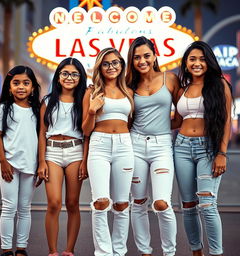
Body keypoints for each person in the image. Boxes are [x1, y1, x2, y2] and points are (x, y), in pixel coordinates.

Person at [173, 41, 232, 256]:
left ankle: (216, 253)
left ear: (209, 62)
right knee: (188, 205)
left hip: (208, 148)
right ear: (186, 63)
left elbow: (225, 121)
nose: (197, 63)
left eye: (202, 59)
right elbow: (176, 121)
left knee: (207, 204)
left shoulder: (219, 85)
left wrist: (222, 153)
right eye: (192, 59)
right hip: (181, 147)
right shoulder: (183, 89)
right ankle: (196, 252)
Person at [125, 36, 179, 256]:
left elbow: (183, 113)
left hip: (162, 147)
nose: (142, 60)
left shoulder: (170, 79)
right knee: (137, 202)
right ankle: (145, 252)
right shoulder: (128, 83)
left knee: (161, 202)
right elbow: (126, 118)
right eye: (137, 57)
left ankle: (169, 252)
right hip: (135, 145)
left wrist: (164, 128)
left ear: (155, 56)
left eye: (146, 55)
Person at [82, 47, 134, 256]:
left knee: (122, 203)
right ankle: (103, 252)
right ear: (100, 67)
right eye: (106, 63)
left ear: (121, 65)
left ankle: (119, 251)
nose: (111, 67)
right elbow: (85, 130)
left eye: (115, 63)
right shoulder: (91, 91)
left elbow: (131, 122)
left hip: (124, 144)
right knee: (101, 202)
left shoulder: (129, 92)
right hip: (99, 145)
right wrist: (93, 110)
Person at [37, 57, 88, 256]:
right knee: (54, 202)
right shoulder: (48, 101)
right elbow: (42, 132)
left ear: (80, 77)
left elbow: (87, 133)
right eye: (65, 73)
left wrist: (85, 160)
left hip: (76, 151)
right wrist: (41, 161)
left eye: (74, 74)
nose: (69, 77)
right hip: (52, 152)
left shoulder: (84, 100)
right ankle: (52, 251)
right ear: (58, 77)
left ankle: (69, 250)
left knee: (73, 203)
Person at [0, 66, 41, 256]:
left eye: (26, 83)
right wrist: (3, 161)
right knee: (9, 207)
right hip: (9, 165)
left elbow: (39, 138)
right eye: (16, 83)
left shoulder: (37, 110)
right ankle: (6, 249)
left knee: (25, 208)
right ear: (9, 87)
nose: (21, 87)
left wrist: (39, 165)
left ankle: (21, 248)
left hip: (30, 165)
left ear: (33, 87)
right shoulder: (5, 108)